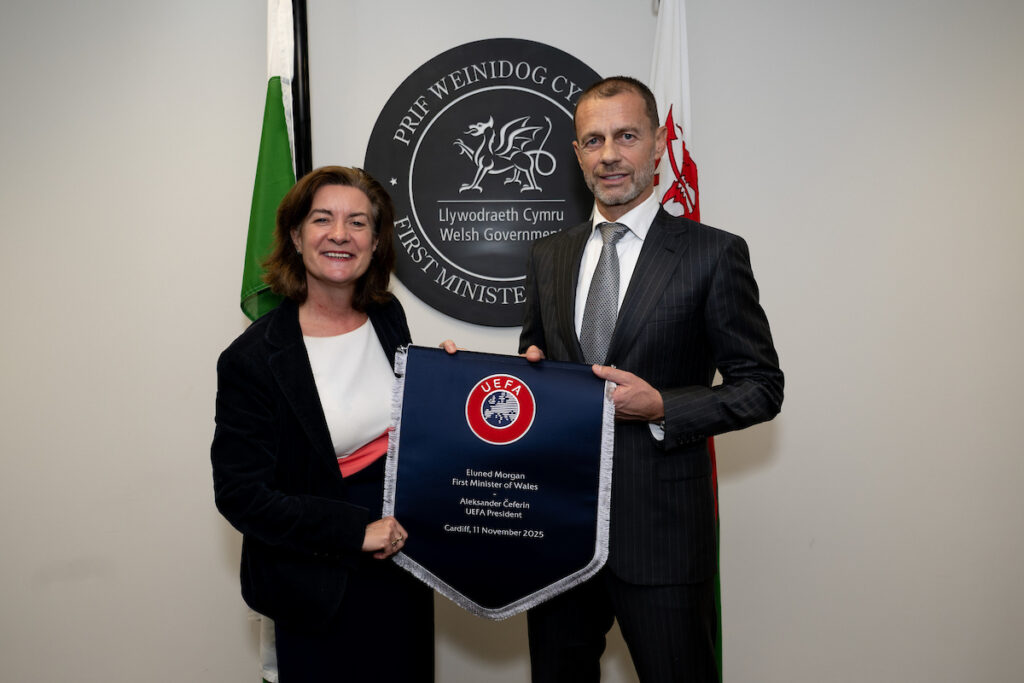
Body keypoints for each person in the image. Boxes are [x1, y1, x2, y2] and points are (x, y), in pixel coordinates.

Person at [518, 77, 784, 682]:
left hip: (662, 538)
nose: (609, 153)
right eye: (593, 140)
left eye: (626, 135)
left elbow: (762, 385)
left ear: (659, 145)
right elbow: (535, 359)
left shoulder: (712, 255)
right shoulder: (548, 255)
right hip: (558, 536)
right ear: (578, 153)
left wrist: (664, 405)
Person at [211, 166, 433, 682]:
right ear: (295, 235)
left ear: (376, 243)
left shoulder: (387, 314)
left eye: (358, 223)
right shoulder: (253, 358)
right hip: (315, 580)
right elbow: (240, 495)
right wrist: (355, 531)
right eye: (322, 220)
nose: (340, 235)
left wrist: (444, 384)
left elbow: (405, 421)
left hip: (403, 563)